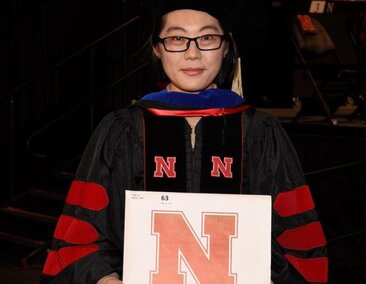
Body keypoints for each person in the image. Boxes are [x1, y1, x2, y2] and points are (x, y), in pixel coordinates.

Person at [41, 1, 328, 283]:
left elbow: (299, 242)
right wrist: (106, 280)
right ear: (157, 48)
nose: (193, 54)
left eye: (207, 37)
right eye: (177, 38)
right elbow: (78, 239)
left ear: (226, 46)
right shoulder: (121, 130)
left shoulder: (260, 132)